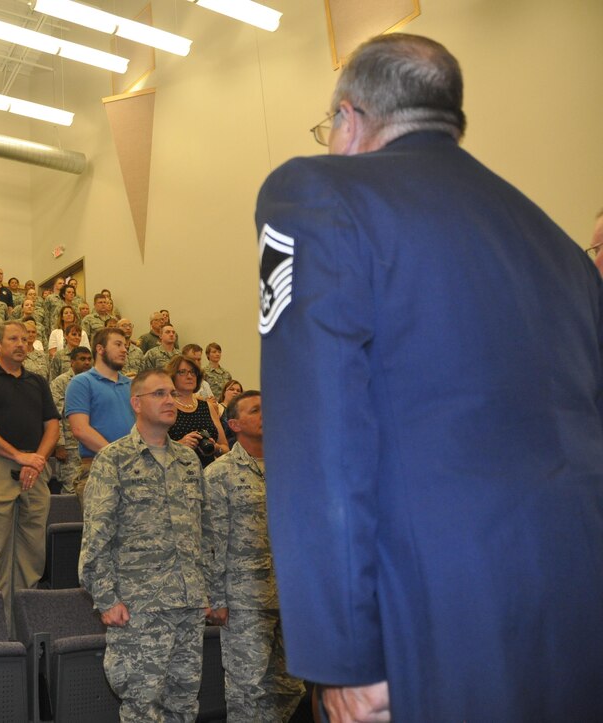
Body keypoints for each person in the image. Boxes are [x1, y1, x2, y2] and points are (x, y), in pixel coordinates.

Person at [257, 33, 603, 722]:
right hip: (578, 614)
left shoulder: (319, 193)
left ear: (351, 119)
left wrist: (345, 655)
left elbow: (317, 436)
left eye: (332, 127)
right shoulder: (564, 249)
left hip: (432, 627)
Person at [78, 368, 226, 723]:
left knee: (184, 706)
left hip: (188, 605)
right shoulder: (113, 460)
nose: (170, 401)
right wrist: (107, 598)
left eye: (172, 394)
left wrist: (210, 592)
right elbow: (96, 536)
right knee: (142, 707)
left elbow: (204, 532)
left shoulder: (189, 460)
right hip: (139, 605)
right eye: (159, 394)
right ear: (136, 403)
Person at [205, 391, 304, 721]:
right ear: (234, 424)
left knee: (290, 687)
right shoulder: (220, 474)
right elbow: (211, 541)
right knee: (248, 690)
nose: (267, 412)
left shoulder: (289, 467)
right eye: (255, 409)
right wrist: (216, 598)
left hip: (290, 599)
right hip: (245, 601)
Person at [0, 320, 59, 628]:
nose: (21, 344)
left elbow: (53, 426)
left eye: (25, 339)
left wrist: (37, 459)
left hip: (36, 470)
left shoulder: (38, 381)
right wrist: (19, 456)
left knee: (32, 552)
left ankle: (25, 628)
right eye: (13, 339)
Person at [65, 328, 135, 499]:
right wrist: (117, 456)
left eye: (125, 346)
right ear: (100, 349)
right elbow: (80, 429)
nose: (124, 349)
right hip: (98, 467)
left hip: (134, 469)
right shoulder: (81, 382)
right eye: (117, 344)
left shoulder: (132, 385)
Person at [166, 355, 227, 468]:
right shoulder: (166, 406)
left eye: (193, 372)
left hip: (208, 473)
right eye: (182, 372)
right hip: (176, 475)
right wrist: (180, 445)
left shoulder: (207, 406)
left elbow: (225, 448)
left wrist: (215, 447)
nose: (189, 376)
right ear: (172, 376)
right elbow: (154, 449)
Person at [49, 346, 93, 494]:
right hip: (70, 446)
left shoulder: (95, 381)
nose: (87, 362)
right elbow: (55, 415)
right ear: (72, 362)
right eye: (82, 359)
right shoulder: (60, 383)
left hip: (91, 444)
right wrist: (59, 444)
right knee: (71, 490)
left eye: (89, 359)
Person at [217, 379, 244, 448]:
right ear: (224, 393)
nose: (235, 392)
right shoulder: (218, 407)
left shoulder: (242, 412)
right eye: (231, 389)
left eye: (238, 391)